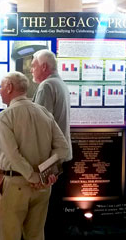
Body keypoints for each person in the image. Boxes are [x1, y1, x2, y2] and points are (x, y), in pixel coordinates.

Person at [0, 71, 69, 240]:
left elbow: (13, 155)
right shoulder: (44, 113)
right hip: (43, 188)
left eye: (1, 87)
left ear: (9, 87)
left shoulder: (5, 116)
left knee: (8, 236)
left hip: (16, 186)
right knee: (36, 236)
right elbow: (63, 149)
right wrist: (45, 175)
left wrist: (33, 177)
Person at [30, 49, 72, 239]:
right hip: (61, 156)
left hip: (50, 159)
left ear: (44, 67)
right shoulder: (60, 83)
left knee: (46, 212)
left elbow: (40, 128)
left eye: (34, 65)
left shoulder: (46, 86)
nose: (31, 69)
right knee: (56, 210)